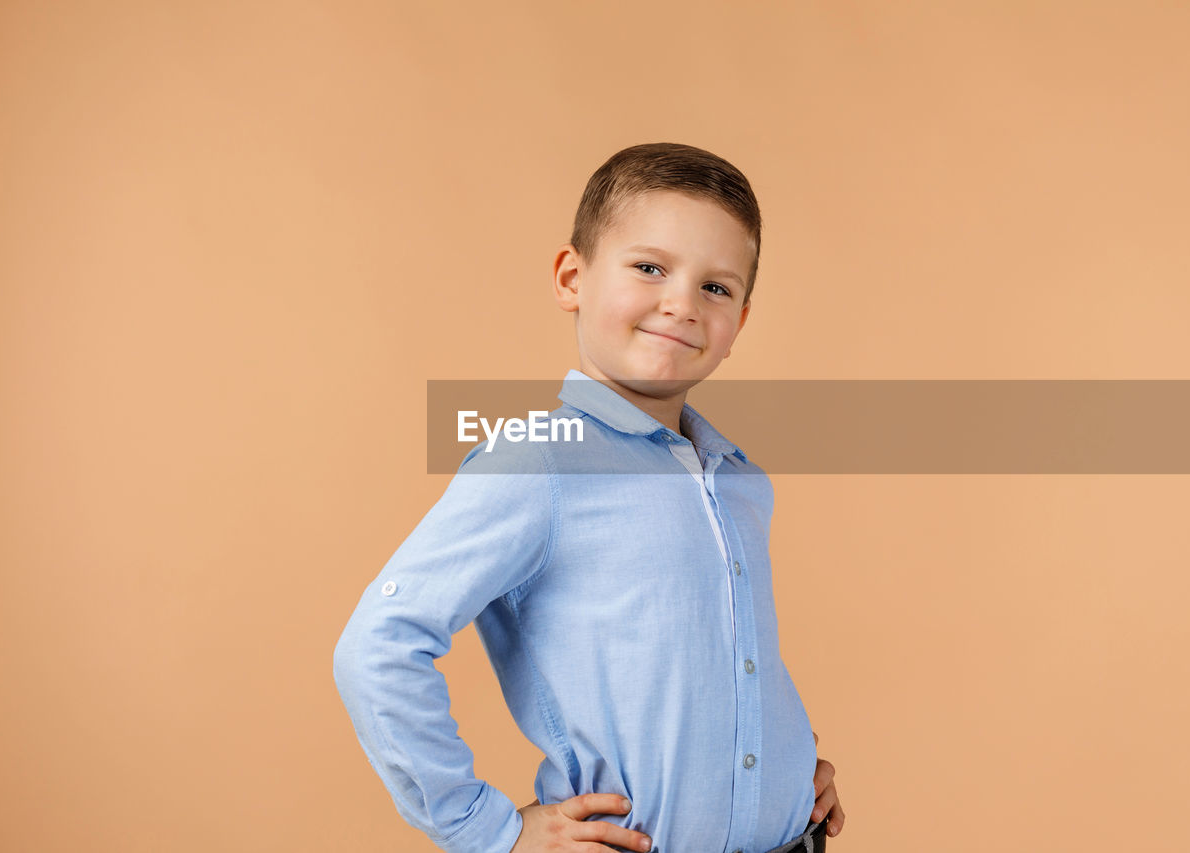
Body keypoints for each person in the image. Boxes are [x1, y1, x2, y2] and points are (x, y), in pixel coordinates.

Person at [333, 142, 846, 853]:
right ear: (572, 276)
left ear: (740, 324)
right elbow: (377, 645)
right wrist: (487, 829)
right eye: (649, 268)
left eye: (716, 288)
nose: (682, 304)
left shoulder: (737, 478)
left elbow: (713, 663)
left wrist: (783, 765)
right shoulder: (539, 461)